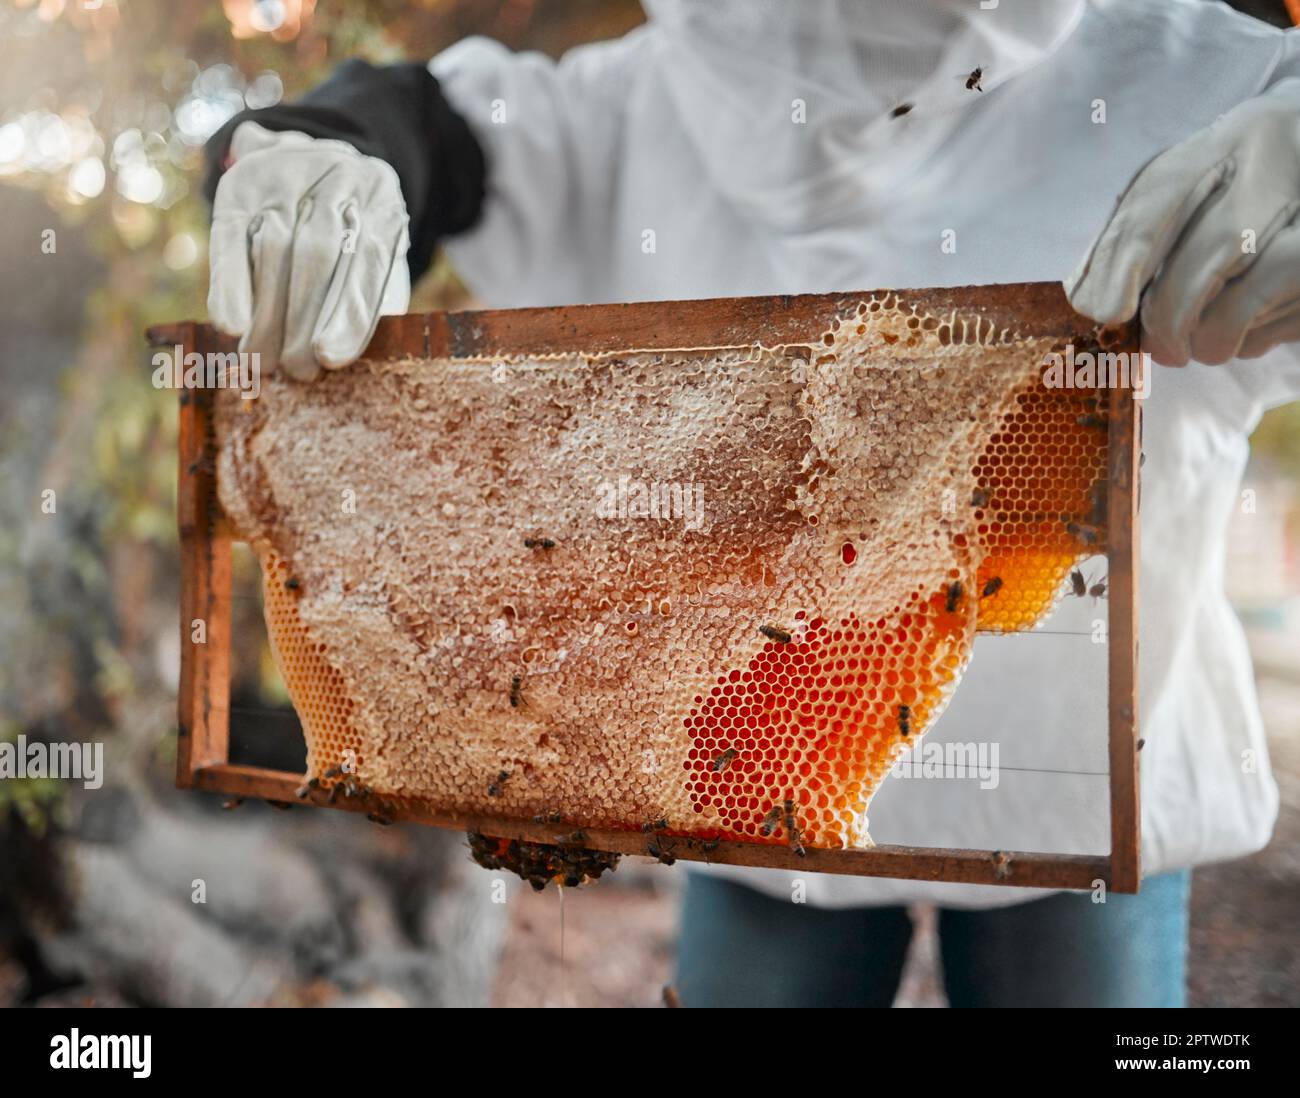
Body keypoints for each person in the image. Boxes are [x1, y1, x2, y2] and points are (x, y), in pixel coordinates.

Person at [202, 0, 1300, 1006]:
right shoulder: (626, 108)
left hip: (1086, 806)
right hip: (740, 792)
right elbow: (421, 123)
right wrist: (318, 157)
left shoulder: (1198, 81)